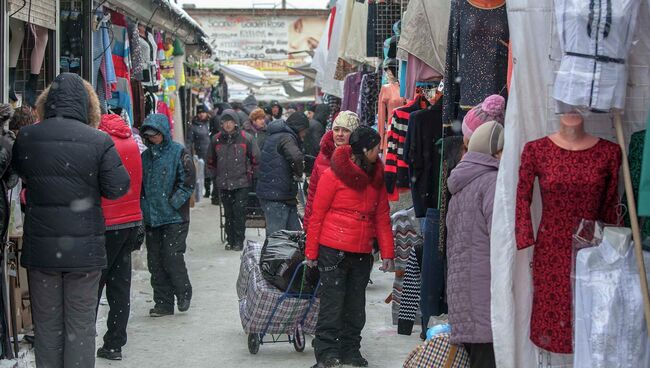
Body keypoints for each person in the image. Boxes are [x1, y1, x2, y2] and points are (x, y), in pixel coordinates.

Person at [12, 73, 130, 368]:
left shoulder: (27, 137)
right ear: (88, 105)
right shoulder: (99, 140)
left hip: (42, 251)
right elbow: (118, 188)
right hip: (85, 252)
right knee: (80, 327)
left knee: (47, 327)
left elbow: (18, 175)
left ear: (46, 102)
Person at [305, 126, 395, 368]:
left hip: (362, 251)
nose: (379, 151)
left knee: (356, 307)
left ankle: (350, 350)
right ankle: (326, 353)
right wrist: (311, 252)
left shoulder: (376, 177)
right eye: (376, 147)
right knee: (332, 305)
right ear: (364, 149)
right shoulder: (333, 175)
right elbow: (317, 216)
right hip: (333, 250)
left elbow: (382, 217)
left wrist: (388, 252)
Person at [446, 121, 503, 368]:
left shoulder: (463, 182)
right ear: (496, 152)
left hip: (462, 289)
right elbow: (500, 238)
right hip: (485, 290)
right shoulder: (491, 182)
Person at [96, 113, 143, 361]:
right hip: (130, 220)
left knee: (92, 285)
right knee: (120, 286)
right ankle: (115, 343)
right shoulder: (132, 142)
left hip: (106, 221)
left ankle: (80, 339)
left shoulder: (102, 143)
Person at [140, 113, 195, 317]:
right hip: (153, 217)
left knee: (172, 257)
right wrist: (144, 207)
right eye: (149, 136)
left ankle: (183, 292)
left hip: (175, 217)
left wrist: (173, 203)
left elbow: (187, 181)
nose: (152, 139)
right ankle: (163, 302)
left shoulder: (178, 152)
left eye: (155, 135)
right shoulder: (145, 157)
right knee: (155, 261)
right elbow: (141, 187)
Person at [207, 109, 259, 251]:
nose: (228, 125)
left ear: (236, 123)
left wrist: (253, 177)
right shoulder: (216, 140)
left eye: (231, 122)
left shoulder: (246, 138)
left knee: (239, 212)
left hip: (242, 183)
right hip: (223, 183)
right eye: (225, 122)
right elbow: (210, 162)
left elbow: (256, 159)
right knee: (228, 213)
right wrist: (214, 176)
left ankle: (239, 240)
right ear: (221, 124)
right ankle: (230, 239)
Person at [256, 112, 308, 236]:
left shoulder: (277, 135)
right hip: (277, 196)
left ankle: (281, 255)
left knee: (293, 236)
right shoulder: (286, 137)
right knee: (277, 239)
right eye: (305, 130)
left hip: (279, 194)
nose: (305, 134)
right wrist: (299, 173)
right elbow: (296, 157)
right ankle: (271, 256)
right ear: (299, 128)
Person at [303, 110, 357, 229]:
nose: (340, 134)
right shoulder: (323, 156)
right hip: (325, 223)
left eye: (346, 130)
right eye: (336, 129)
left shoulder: (360, 158)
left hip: (351, 225)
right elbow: (312, 194)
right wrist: (307, 225)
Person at [186, 105, 213, 198]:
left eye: (203, 112)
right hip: (201, 152)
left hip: (212, 151)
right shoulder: (193, 126)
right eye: (200, 113)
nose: (201, 114)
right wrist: (188, 154)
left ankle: (213, 192)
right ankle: (207, 190)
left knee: (212, 171)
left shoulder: (211, 123)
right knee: (204, 172)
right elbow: (189, 141)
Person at [303, 104, 331, 178]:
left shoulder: (312, 122)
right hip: (313, 159)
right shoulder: (318, 126)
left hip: (308, 158)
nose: (328, 117)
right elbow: (318, 145)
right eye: (327, 114)